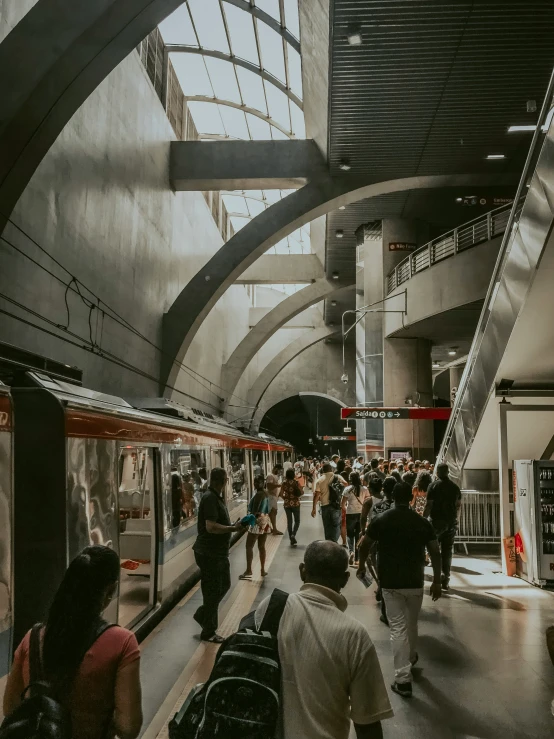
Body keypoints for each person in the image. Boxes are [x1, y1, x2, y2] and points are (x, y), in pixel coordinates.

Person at [254, 541, 393, 739]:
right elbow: (367, 722)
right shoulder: (354, 635)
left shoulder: (271, 607)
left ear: (303, 571)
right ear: (345, 579)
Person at [3, 546, 143, 739]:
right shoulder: (124, 643)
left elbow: (10, 707)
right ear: (110, 590)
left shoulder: (32, 638)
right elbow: (128, 728)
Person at [358, 483, 442, 698]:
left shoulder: (382, 519)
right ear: (411, 499)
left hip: (391, 583)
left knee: (397, 628)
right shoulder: (421, 522)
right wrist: (437, 581)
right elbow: (434, 550)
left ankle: (402, 679)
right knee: (412, 624)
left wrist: (361, 565)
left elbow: (364, 544)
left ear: (393, 497)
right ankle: (410, 656)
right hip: (415, 581)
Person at [193, 467, 245, 643]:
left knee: (223, 585)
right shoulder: (209, 499)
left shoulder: (214, 497)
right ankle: (208, 631)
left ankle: (203, 614)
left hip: (216, 552)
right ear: (222, 481)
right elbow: (211, 526)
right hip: (209, 553)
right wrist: (233, 528)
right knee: (213, 590)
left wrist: (232, 525)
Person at [423, 462, 462, 591]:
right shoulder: (455, 487)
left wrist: (423, 519)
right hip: (451, 522)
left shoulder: (433, 486)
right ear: (448, 472)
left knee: (434, 550)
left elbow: (429, 505)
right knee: (447, 551)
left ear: (438, 472)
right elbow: (458, 505)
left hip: (436, 522)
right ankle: (446, 577)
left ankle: (437, 577)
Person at [240, 475, 271, 580]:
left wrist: (245, 523)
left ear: (263, 483)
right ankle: (262, 570)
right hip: (266, 521)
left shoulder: (258, 494)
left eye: (258, 482)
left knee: (249, 546)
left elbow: (254, 512)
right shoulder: (266, 493)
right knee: (261, 546)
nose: (256, 484)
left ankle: (249, 570)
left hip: (257, 522)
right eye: (255, 482)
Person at [312, 463, 346, 542]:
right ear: (331, 469)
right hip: (336, 505)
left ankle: (328, 542)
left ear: (323, 470)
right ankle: (334, 541)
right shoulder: (337, 477)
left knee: (327, 526)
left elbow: (316, 495)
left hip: (325, 506)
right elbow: (346, 484)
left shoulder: (320, 480)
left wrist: (313, 508)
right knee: (337, 525)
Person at [342, 472, 370, 565]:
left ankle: (351, 552)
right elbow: (367, 501)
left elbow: (342, 504)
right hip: (361, 514)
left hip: (350, 513)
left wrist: (347, 509)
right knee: (359, 535)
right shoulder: (365, 489)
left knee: (350, 534)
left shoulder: (347, 489)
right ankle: (357, 559)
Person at [281, 467, 303, 546]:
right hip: (295, 503)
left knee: (289, 521)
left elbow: (280, 494)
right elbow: (302, 492)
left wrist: (286, 499)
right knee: (297, 521)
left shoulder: (284, 483)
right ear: (293, 474)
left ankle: (291, 538)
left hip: (287, 504)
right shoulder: (296, 482)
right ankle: (293, 534)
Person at [266, 464, 284, 536]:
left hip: (273, 497)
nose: (279, 473)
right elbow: (269, 486)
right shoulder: (270, 476)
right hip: (271, 497)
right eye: (279, 471)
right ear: (276, 469)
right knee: (273, 512)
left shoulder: (275, 476)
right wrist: (278, 485)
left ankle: (272, 528)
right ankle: (274, 529)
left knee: (273, 512)